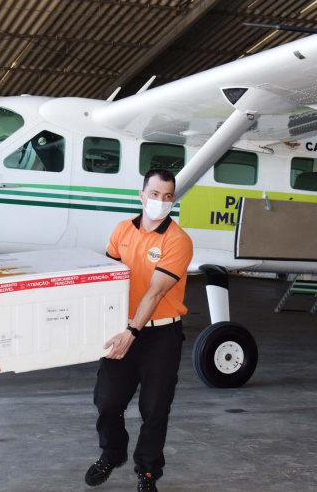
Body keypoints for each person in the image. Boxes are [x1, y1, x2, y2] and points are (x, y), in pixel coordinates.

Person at [85, 169, 194, 492]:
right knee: (107, 400)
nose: (161, 201)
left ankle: (147, 471)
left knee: (155, 408)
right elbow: (108, 278)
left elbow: (156, 292)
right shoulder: (122, 230)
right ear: (142, 195)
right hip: (122, 329)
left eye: (168, 196)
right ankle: (112, 453)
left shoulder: (178, 240)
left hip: (160, 335)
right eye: (155, 194)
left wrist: (132, 332)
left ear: (173, 199)